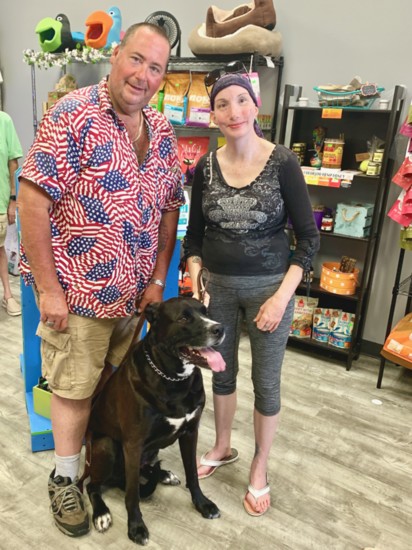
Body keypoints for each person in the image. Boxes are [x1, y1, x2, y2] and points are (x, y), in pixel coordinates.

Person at [17, 23, 184, 538]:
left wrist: (158, 276)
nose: (143, 75)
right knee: (72, 388)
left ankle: (102, 463)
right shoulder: (71, 115)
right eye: (137, 60)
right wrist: (47, 288)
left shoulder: (162, 131)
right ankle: (65, 479)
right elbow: (32, 202)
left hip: (134, 298)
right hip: (78, 296)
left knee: (112, 389)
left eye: (155, 67)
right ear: (116, 56)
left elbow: (169, 208)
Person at [183, 68, 320, 517]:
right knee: (221, 373)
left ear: (255, 107)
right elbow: (195, 237)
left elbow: (308, 239)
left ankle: (260, 464)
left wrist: (281, 299)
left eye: (241, 100)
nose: (233, 110)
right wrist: (195, 268)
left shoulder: (283, 162)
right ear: (213, 115)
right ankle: (223, 446)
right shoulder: (204, 166)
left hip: (270, 291)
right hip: (217, 290)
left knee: (266, 381)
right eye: (223, 103)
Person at [0, 111, 23, 316]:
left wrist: (12, 200)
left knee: (0, 249)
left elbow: (12, 164)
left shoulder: (4, 120)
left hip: (0, 200)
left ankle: (7, 295)